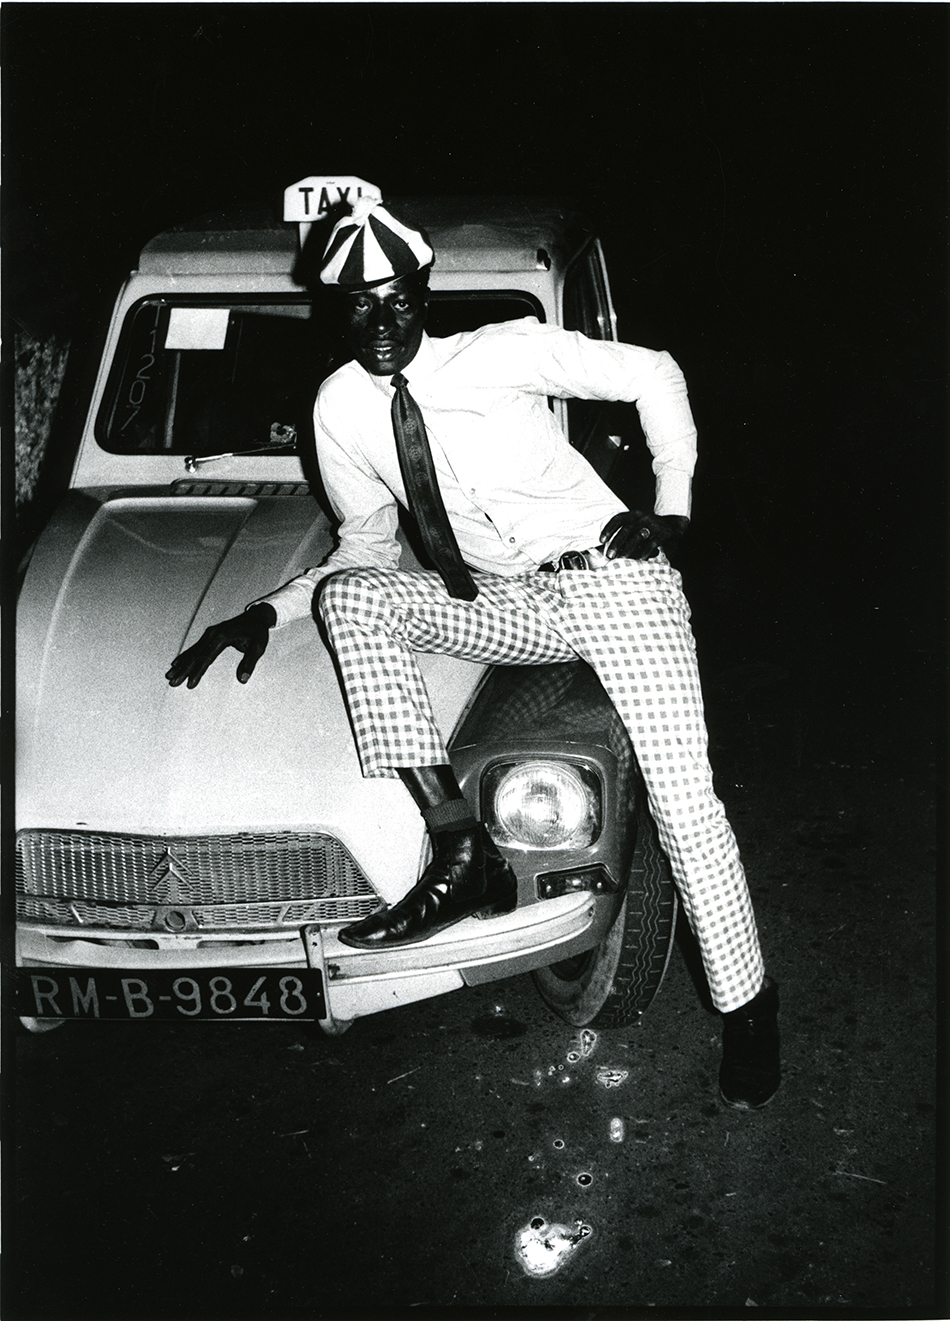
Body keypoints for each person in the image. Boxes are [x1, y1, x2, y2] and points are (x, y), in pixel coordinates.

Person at [166, 196, 780, 1110]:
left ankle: (749, 1007)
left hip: (613, 582)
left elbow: (655, 372)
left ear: (423, 292)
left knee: (684, 802)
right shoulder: (339, 409)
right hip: (509, 603)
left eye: (396, 300)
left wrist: (673, 509)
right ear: (335, 310)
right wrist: (267, 611)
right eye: (359, 304)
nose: (381, 322)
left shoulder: (502, 351)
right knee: (352, 597)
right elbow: (365, 549)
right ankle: (463, 851)